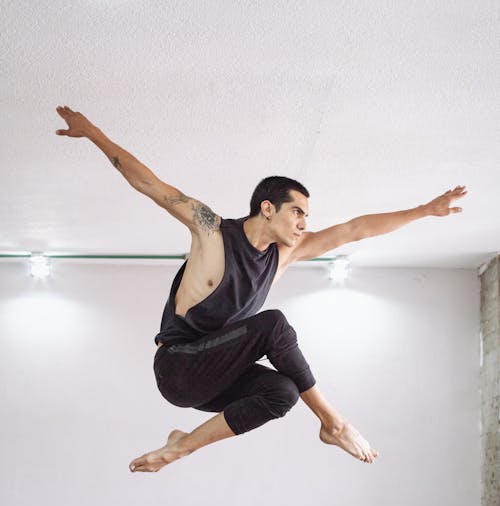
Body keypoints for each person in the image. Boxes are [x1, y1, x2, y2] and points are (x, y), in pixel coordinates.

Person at [55, 105, 467, 473]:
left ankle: (183, 445)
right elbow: (150, 184)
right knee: (272, 325)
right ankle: (333, 422)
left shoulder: (283, 255)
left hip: (214, 381)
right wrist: (91, 131)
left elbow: (354, 230)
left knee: (282, 392)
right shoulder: (211, 231)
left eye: (307, 215)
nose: (304, 223)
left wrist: (425, 211)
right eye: (297, 212)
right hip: (178, 369)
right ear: (267, 208)